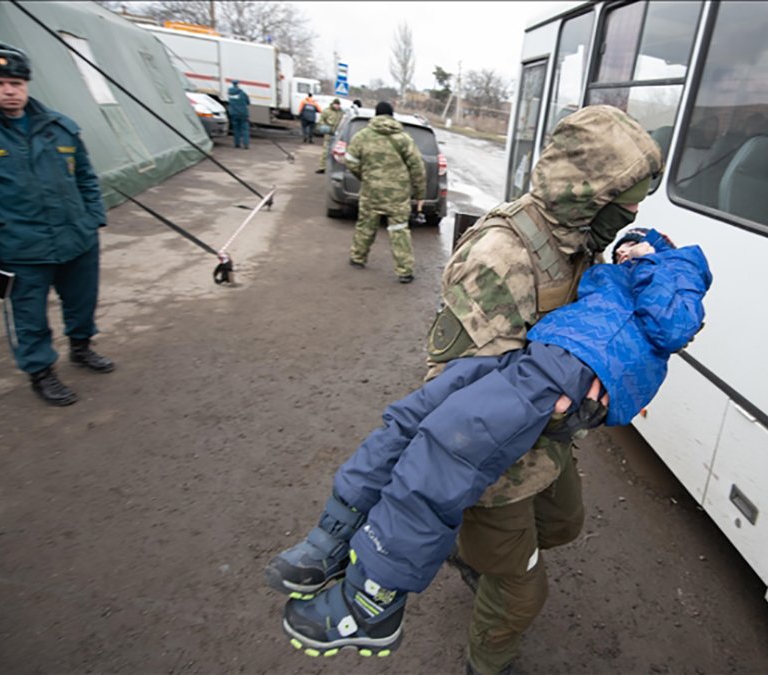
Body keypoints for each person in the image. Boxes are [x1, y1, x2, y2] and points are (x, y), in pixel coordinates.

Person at [268, 104, 662, 674]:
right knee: (522, 596)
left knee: (563, 525)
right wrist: (574, 400)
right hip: (491, 469)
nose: (632, 214)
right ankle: (486, 662)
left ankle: (466, 549)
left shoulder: (573, 238)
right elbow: (458, 407)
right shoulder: (502, 256)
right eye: (626, 203)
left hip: (544, 451)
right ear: (586, 194)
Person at [269, 227, 710, 660]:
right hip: (544, 354)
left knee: (452, 447)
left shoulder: (677, 271)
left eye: (638, 243)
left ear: (665, 251)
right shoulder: (612, 270)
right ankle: (338, 527)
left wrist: (648, 263)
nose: (626, 250)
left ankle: (373, 601)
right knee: (422, 408)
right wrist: (633, 260)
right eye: (625, 244)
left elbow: (672, 325)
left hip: (572, 366)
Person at [0, 39, 114, 406]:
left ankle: (81, 346)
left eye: (15, 83)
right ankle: (40, 371)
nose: (9, 91)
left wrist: (92, 219)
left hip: (76, 238)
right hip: (17, 246)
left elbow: (85, 178)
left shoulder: (58, 126)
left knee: (82, 302)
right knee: (27, 314)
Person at [345, 101, 425, 283]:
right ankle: (405, 271)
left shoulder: (362, 136)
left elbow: (350, 160)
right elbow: (417, 168)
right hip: (398, 196)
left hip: (371, 192)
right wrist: (420, 194)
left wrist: (364, 176)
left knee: (365, 225)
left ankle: (358, 258)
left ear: (376, 114)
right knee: (399, 230)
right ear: (392, 115)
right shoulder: (404, 139)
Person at [315, 98, 343, 174]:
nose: (337, 106)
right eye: (336, 104)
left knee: (337, 152)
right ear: (333, 104)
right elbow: (321, 121)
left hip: (338, 134)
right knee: (326, 151)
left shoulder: (341, 112)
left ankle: (334, 168)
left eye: (338, 105)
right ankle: (322, 167)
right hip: (328, 133)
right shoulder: (327, 111)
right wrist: (325, 128)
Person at [227, 80, 250, 149]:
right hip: (243, 113)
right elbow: (248, 102)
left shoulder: (230, 94)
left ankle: (237, 144)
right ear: (238, 85)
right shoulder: (242, 93)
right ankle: (246, 144)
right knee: (245, 129)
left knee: (236, 129)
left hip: (234, 113)